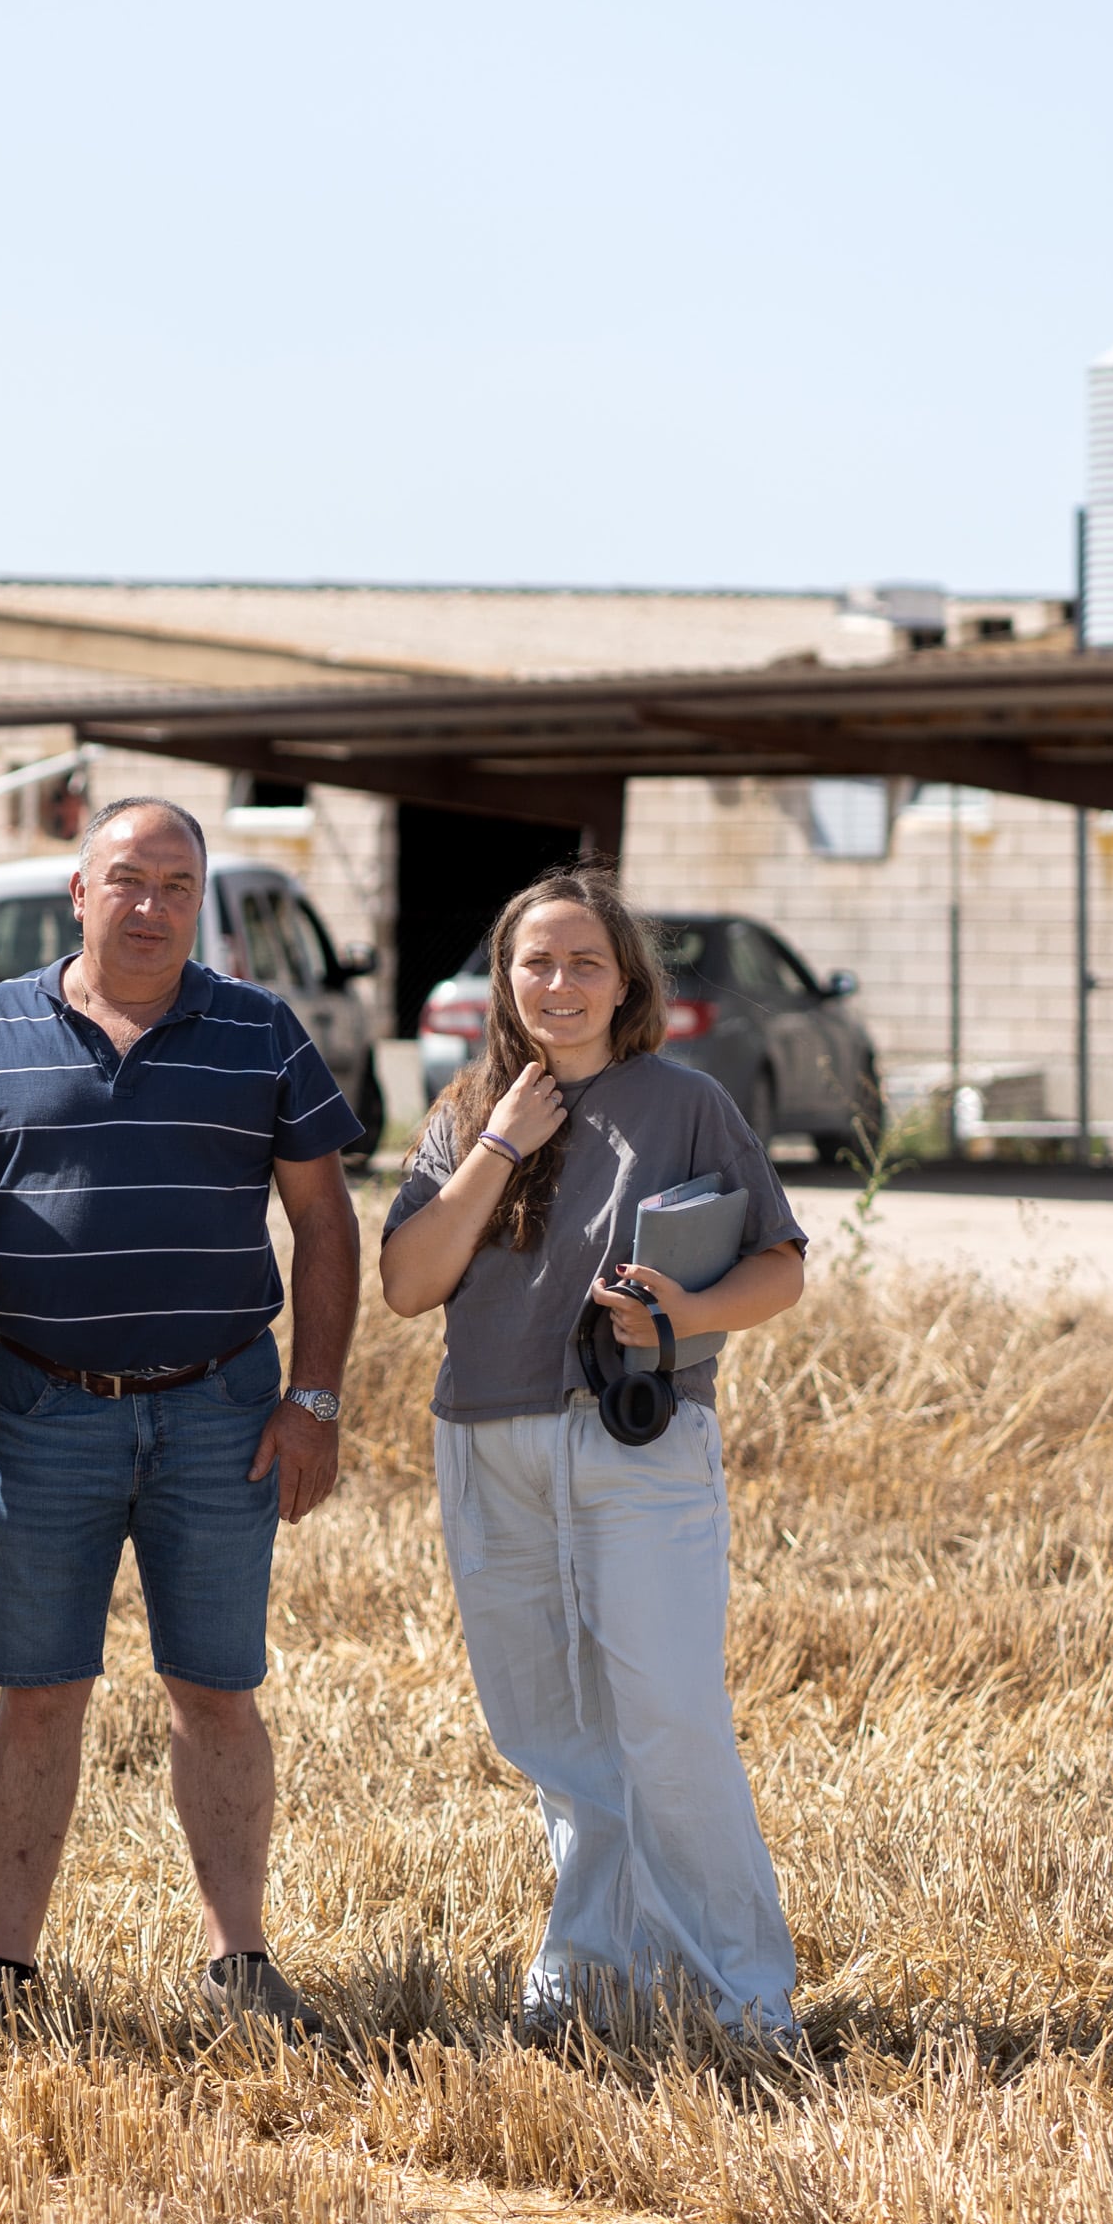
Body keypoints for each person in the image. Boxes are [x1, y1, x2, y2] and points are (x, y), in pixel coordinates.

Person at [0, 796, 363, 2039]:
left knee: (213, 1689)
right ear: (78, 891)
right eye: (126, 880)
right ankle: (4, 1976)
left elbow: (324, 1221)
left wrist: (313, 1396)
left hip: (222, 1411)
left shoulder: (260, 1032)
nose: (150, 905)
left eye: (175, 883)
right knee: (37, 1688)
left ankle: (239, 1970)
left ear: (198, 898)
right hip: (39, 1410)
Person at [376, 863, 811, 2041]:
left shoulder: (685, 1104)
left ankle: (742, 1994)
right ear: (504, 983)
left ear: (625, 984)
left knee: (665, 1715)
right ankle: (592, 1975)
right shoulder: (469, 1113)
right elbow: (409, 1284)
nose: (558, 983)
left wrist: (681, 1316)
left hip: (637, 1440)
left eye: (583, 962)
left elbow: (780, 1265)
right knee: (548, 1730)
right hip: (489, 1438)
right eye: (535, 962)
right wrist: (503, 1147)